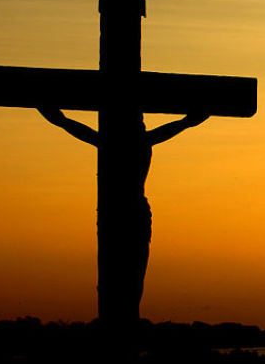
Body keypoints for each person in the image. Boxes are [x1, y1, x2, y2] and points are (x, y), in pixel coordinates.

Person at [37, 107, 209, 325]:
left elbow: (69, 125)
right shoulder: (140, 142)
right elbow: (179, 125)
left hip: (126, 212)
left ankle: (124, 318)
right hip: (124, 213)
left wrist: (53, 115)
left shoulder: (117, 143)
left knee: (129, 270)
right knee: (127, 271)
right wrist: (190, 119)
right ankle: (120, 320)